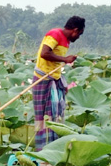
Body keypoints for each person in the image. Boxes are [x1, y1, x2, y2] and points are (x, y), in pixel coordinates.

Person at [32, 16, 85, 151]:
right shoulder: (55, 34)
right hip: (42, 79)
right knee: (45, 116)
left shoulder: (66, 42)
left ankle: (54, 148)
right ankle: (44, 150)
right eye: (79, 34)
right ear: (75, 30)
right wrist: (65, 59)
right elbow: (44, 53)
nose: (78, 37)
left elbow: (55, 62)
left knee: (56, 116)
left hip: (54, 79)